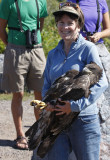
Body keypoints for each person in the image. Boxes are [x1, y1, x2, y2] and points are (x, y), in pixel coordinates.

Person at [41, 2, 108, 160]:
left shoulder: (88, 49)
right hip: (57, 120)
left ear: (79, 25)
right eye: (61, 23)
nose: (65, 27)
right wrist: (48, 102)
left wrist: (74, 106)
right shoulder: (53, 54)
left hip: (83, 120)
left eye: (70, 23)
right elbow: (46, 84)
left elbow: (102, 82)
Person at [0, 0, 48, 150]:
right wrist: (11, 46)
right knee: (18, 94)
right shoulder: (8, 2)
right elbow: (1, 28)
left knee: (39, 93)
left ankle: (40, 132)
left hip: (36, 49)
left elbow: (41, 25)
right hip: (15, 50)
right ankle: (20, 135)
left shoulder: (40, 1)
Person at [67, 0, 110, 122]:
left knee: (104, 85)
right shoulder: (71, 2)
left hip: (98, 48)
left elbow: (108, 29)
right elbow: (66, 26)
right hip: (79, 48)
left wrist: (99, 35)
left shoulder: (100, 2)